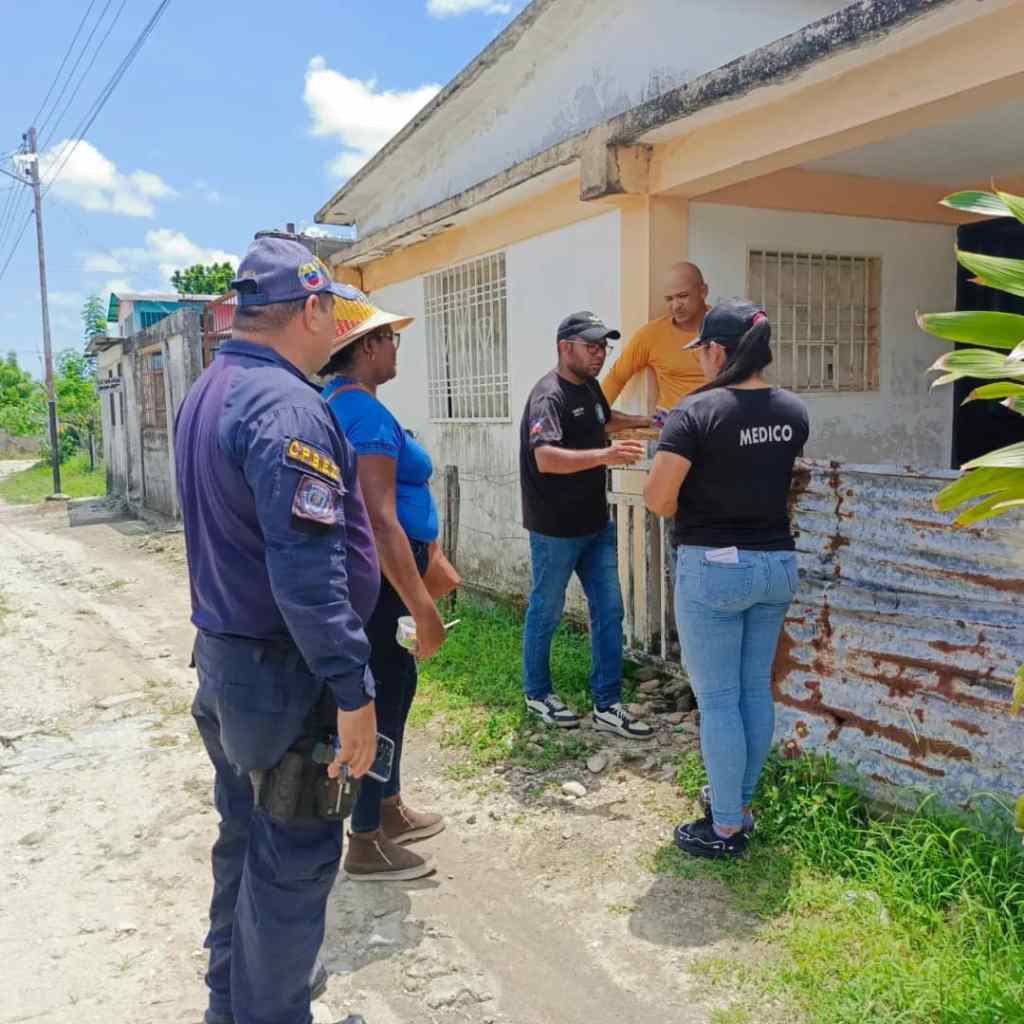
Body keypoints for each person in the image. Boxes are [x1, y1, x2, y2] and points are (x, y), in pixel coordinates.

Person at [175, 237, 378, 1024]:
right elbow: (307, 578)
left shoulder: (211, 387)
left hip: (229, 666)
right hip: (283, 678)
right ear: (313, 308)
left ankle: (231, 1009)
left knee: (245, 845)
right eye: (336, 312)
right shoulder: (288, 407)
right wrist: (353, 691)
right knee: (292, 862)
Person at [643, 299, 809, 859]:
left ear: (718, 351)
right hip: (776, 565)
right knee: (754, 690)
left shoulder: (695, 413)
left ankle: (726, 828)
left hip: (715, 568)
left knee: (717, 700)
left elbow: (659, 499)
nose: (701, 360)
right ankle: (739, 804)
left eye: (703, 351)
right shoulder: (793, 412)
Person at [319, 290, 447, 882]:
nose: (396, 348)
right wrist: (423, 607)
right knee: (386, 694)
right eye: (390, 338)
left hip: (373, 578)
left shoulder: (340, 404)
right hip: (383, 584)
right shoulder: (364, 415)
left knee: (394, 687)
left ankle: (387, 807)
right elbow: (379, 518)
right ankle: (366, 838)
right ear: (367, 346)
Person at [519, 310, 655, 739]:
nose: (600, 354)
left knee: (610, 610)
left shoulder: (590, 388)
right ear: (566, 347)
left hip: (595, 526)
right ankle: (537, 693)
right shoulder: (548, 396)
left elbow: (603, 420)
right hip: (555, 530)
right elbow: (545, 457)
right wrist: (605, 456)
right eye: (591, 346)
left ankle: (608, 704)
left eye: (603, 347)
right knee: (547, 610)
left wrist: (647, 421)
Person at [601, 262, 710, 418]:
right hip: (672, 422)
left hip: (720, 420)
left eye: (683, 296)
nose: (675, 306)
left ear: (703, 291)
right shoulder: (651, 334)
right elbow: (616, 377)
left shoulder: (728, 327)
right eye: (669, 299)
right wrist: (595, 419)